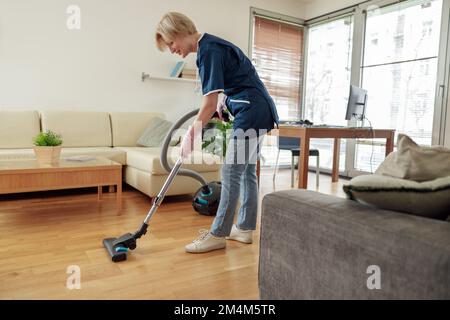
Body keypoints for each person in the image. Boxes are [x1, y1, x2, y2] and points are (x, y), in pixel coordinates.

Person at [155, 12, 279, 253]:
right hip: (259, 108)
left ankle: (218, 233)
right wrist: (225, 102)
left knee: (231, 171)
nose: (171, 49)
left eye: (171, 43)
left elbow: (208, 103)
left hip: (251, 111)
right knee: (246, 172)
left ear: (180, 32)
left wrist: (191, 134)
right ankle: (243, 229)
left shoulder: (208, 50)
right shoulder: (212, 45)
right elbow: (230, 88)